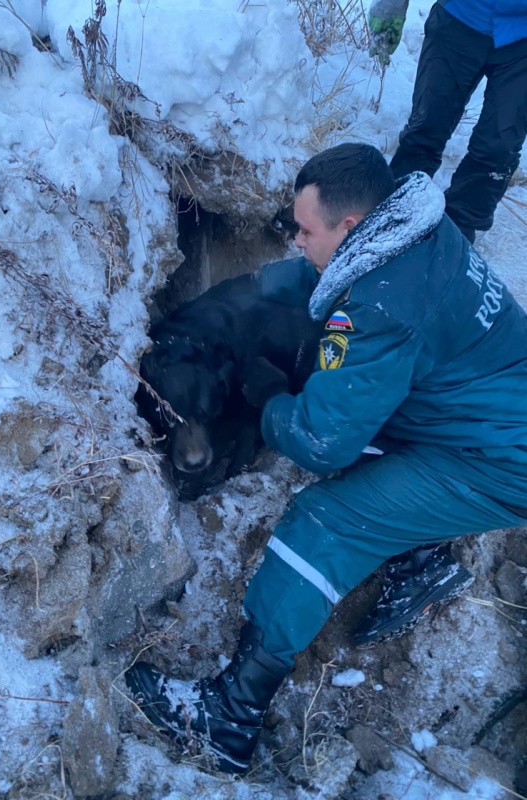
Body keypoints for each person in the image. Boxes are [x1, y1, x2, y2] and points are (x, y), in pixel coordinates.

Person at [125, 143, 527, 775]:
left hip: (496, 458)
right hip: (486, 405)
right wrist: (235, 306)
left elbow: (321, 441)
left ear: (350, 226)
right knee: (360, 417)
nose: (296, 242)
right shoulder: (412, 230)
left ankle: (229, 717)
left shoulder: (382, 308)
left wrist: (265, 402)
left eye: (305, 231)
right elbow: (320, 285)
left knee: (325, 519)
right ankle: (421, 554)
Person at [368, 0, 527, 243]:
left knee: (498, 147)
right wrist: (390, 5)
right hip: (459, 18)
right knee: (427, 126)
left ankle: (456, 233)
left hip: (521, 40)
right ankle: (394, 215)